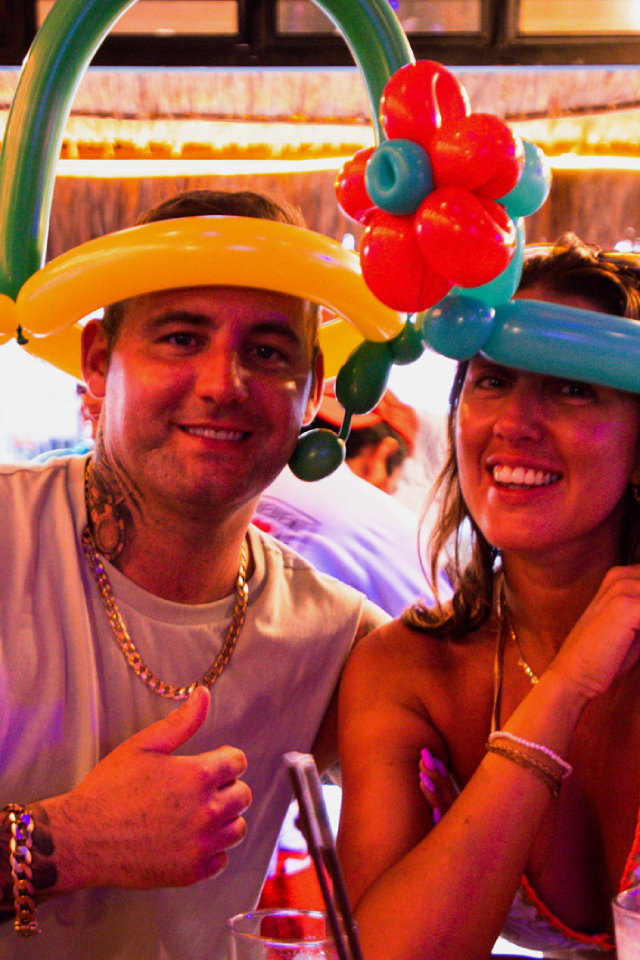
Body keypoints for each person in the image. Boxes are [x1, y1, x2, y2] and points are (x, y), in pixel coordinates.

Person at [0, 189, 388, 960]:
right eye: (181, 338)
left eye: (267, 352)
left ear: (313, 387)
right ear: (99, 361)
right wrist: (71, 842)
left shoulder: (339, 639)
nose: (222, 384)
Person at [336, 235, 640, 960]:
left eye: (573, 388)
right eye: (492, 381)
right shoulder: (407, 670)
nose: (513, 424)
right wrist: (565, 688)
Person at [254, 383, 447, 618]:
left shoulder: (242, 478)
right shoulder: (390, 529)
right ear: (382, 454)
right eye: (395, 483)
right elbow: (446, 624)